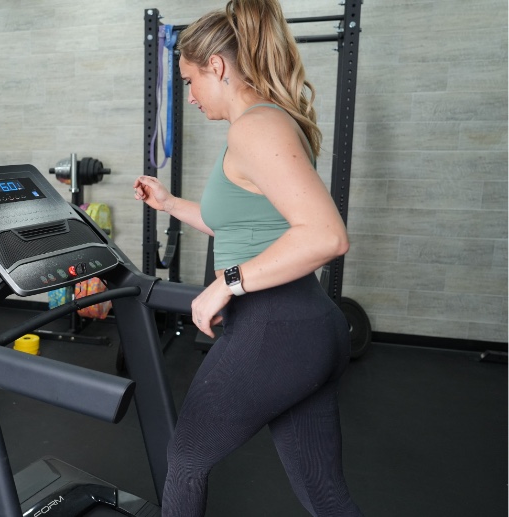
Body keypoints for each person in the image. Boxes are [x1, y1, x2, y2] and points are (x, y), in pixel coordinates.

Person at [133, 1, 363, 515]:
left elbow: (327, 236)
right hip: (304, 328)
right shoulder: (263, 125)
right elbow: (242, 228)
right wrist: (169, 204)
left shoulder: (255, 128)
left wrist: (226, 282)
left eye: (190, 81)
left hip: (275, 327)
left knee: (185, 458)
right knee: (324, 493)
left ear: (216, 67)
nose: (189, 96)